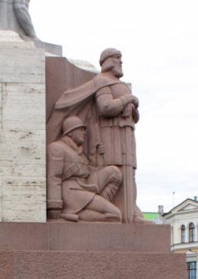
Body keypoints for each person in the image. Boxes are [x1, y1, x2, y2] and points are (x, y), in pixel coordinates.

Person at [50, 48, 140, 221]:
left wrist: (133, 108)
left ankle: (132, 212)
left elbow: (134, 117)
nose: (120, 62)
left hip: (126, 135)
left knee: (129, 175)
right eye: (116, 58)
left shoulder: (119, 85)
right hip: (112, 135)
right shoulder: (103, 81)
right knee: (116, 170)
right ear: (106, 61)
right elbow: (106, 107)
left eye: (120, 58)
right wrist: (129, 99)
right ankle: (103, 212)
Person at [46, 116, 122, 222]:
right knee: (115, 215)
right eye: (80, 129)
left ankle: (96, 206)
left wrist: (93, 157)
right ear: (70, 132)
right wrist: (54, 205)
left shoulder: (79, 152)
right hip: (72, 192)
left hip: (85, 186)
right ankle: (75, 215)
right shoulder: (56, 148)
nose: (84, 133)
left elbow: (87, 172)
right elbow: (54, 176)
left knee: (115, 173)